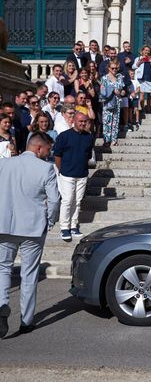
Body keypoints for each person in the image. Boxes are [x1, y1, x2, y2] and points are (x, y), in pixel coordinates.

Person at [0, 132, 59, 337]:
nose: (48, 154)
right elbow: (54, 200)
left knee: (3, 268)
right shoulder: (46, 168)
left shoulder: (4, 164)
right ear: (39, 148)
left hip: (4, 225)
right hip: (32, 228)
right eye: (47, 150)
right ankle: (26, 320)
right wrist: (50, 221)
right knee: (29, 274)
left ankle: (1, 304)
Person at [54, 112, 94, 241]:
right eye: (80, 121)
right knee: (67, 200)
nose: (82, 123)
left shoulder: (89, 137)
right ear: (74, 121)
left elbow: (87, 155)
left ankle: (73, 225)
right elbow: (57, 155)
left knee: (77, 202)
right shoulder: (64, 136)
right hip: (67, 174)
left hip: (82, 174)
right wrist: (61, 170)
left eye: (84, 121)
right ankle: (64, 227)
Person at [100, 61, 126, 147]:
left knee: (115, 121)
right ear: (108, 68)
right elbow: (102, 92)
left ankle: (114, 140)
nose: (115, 70)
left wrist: (121, 92)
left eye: (116, 68)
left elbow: (122, 90)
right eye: (113, 68)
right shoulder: (104, 78)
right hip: (107, 102)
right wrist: (111, 90)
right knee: (107, 121)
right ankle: (106, 140)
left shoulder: (120, 78)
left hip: (117, 102)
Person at [134, 46, 151, 115]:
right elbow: (133, 67)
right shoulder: (138, 58)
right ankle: (143, 110)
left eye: (148, 50)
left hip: (149, 79)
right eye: (145, 50)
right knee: (142, 95)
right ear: (142, 51)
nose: (147, 52)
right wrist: (139, 62)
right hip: (141, 78)